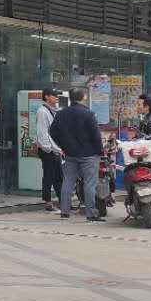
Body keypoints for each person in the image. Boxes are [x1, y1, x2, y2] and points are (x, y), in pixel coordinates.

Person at [49, 87, 104, 220]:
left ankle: (64, 212)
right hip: (89, 154)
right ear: (83, 97)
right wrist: (99, 151)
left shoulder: (61, 113)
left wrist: (63, 146)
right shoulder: (88, 114)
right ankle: (90, 214)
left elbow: (53, 131)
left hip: (70, 154)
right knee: (89, 183)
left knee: (68, 182)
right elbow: (96, 135)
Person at [34, 88, 64, 212]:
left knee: (58, 176)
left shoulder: (54, 110)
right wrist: (49, 149)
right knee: (49, 176)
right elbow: (42, 133)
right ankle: (47, 202)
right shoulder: (42, 112)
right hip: (48, 150)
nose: (57, 97)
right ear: (46, 97)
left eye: (57, 95)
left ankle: (63, 201)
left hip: (55, 149)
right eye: (54, 95)